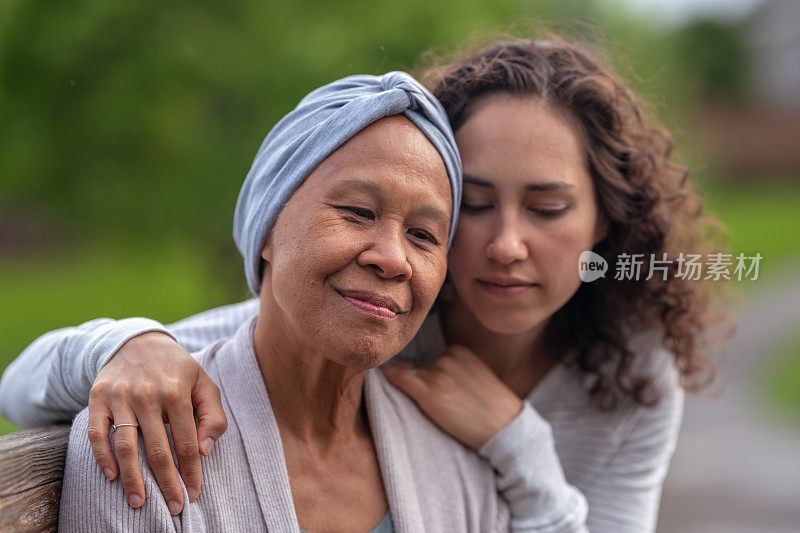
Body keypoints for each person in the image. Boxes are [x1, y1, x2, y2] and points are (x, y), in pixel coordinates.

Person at [1, 36, 725, 533]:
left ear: (608, 221)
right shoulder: (368, 317)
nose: (507, 244)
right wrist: (129, 342)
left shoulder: (634, 372)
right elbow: (222, 342)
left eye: (547, 207)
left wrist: (516, 443)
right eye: (473, 205)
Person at [52, 71, 524, 532]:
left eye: (423, 235)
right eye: (358, 212)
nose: (394, 259)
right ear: (268, 228)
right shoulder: (143, 443)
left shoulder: (460, 468)